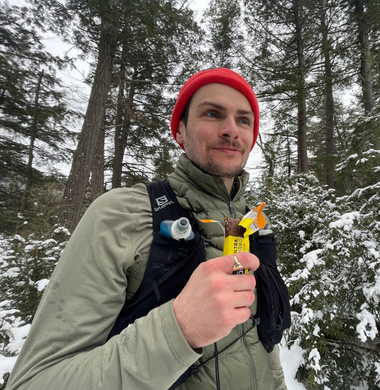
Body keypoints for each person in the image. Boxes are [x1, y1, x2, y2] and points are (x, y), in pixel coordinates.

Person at [6, 68, 288, 390]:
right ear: (180, 131)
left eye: (244, 120)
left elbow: (264, 348)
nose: (230, 130)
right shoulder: (123, 215)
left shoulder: (250, 225)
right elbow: (34, 382)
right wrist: (179, 328)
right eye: (212, 113)